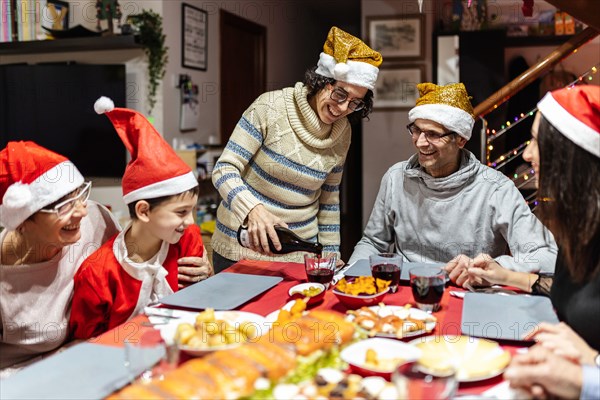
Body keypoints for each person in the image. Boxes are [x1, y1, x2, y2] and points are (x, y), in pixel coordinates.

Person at [210, 26, 382, 273]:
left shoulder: (343, 132)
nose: (343, 108)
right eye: (340, 94)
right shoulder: (269, 107)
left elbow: (329, 200)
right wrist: (253, 210)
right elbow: (224, 169)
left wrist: (331, 258)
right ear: (321, 81)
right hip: (240, 249)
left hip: (298, 256)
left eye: (355, 103)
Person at [348, 82, 557, 275]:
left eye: (433, 134)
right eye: (416, 130)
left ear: (461, 139)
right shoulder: (396, 177)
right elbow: (374, 243)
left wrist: (497, 267)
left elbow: (547, 256)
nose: (420, 142)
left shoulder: (496, 188)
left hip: (469, 292)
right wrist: (347, 275)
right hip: (406, 293)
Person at [464, 86, 599, 359]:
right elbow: (567, 292)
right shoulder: (580, 225)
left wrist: (592, 361)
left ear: (571, 156)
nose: (526, 154)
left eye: (537, 141)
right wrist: (503, 275)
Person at [68, 98, 212, 339]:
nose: (191, 222)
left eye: (192, 211)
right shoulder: (98, 275)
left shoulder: (187, 239)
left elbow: (203, 305)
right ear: (144, 211)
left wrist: (208, 277)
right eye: (181, 212)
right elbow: (85, 345)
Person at [0, 141, 120, 376]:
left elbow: (130, 270)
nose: (82, 211)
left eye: (80, 195)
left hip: (93, 360)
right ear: (22, 222)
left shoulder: (96, 221)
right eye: (64, 206)